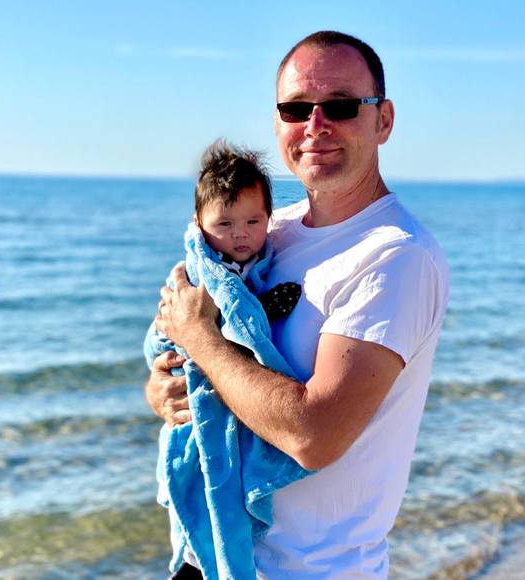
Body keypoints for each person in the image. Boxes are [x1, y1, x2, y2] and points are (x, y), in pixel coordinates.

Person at [148, 30, 450, 579]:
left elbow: (313, 435)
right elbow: (179, 333)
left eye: (340, 105)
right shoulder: (263, 232)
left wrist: (201, 342)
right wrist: (166, 389)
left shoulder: (395, 257)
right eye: (296, 108)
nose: (316, 124)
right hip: (209, 554)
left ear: (383, 121)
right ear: (277, 122)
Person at [145, 140, 306, 579]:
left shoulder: (261, 260)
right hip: (197, 391)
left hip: (238, 391)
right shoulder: (201, 272)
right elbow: (177, 331)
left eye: (253, 221)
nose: (240, 234)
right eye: (225, 224)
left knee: (224, 501)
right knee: (204, 494)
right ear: (198, 224)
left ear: (269, 217)